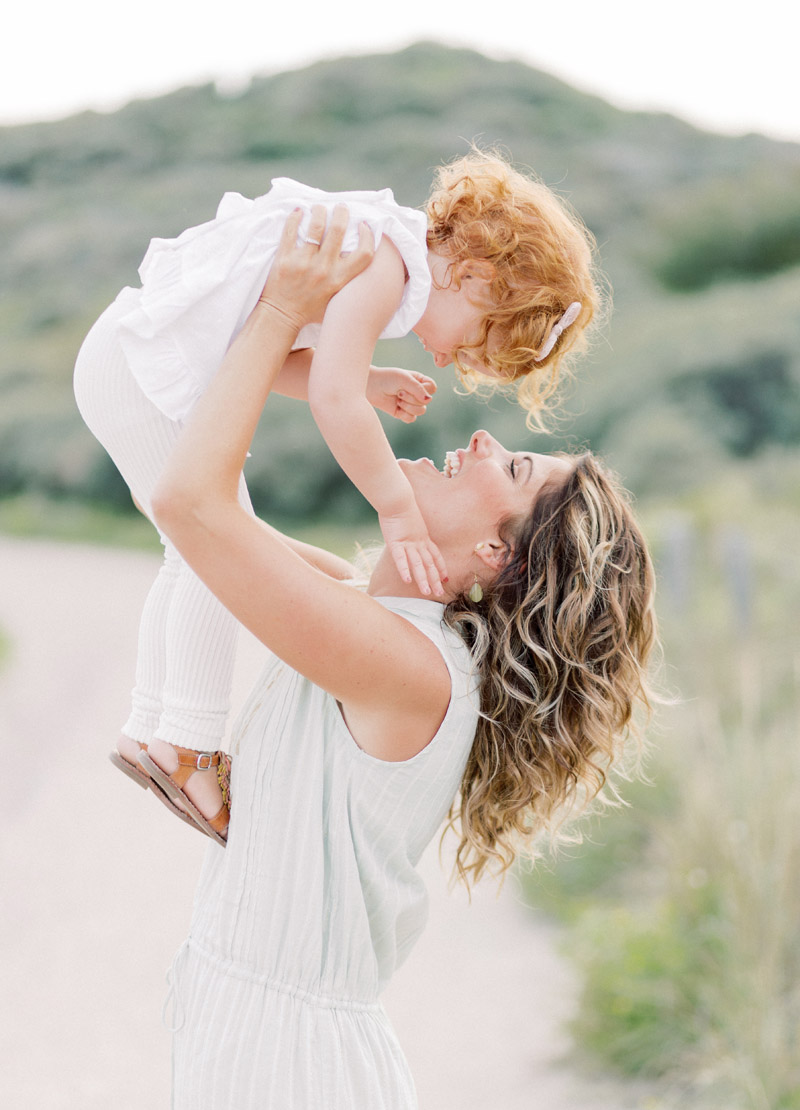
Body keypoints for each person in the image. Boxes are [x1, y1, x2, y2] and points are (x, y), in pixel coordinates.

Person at [150, 207, 655, 1110]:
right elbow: (195, 513)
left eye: (508, 469)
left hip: (290, 1072)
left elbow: (190, 503)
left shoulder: (407, 669)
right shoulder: (372, 624)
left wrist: (282, 313)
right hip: (255, 1034)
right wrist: (282, 338)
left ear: (493, 558)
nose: (477, 437)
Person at [73, 150, 602, 836]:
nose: (447, 361)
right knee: (206, 547)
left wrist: (367, 379)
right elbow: (331, 399)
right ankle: (187, 745)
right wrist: (397, 510)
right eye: (470, 345)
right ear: (473, 278)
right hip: (142, 367)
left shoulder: (382, 253)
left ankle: (151, 729)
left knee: (192, 551)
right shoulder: (388, 263)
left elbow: (265, 358)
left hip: (125, 355)